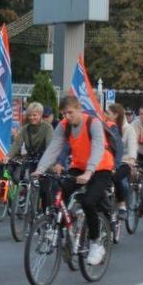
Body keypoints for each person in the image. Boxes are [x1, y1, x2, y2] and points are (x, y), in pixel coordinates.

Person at [32, 95, 114, 266]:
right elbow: (54, 148)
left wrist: (89, 171)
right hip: (79, 166)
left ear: (79, 109)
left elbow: (98, 148)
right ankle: (58, 229)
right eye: (63, 113)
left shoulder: (93, 123)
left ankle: (96, 243)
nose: (67, 117)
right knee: (58, 191)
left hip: (100, 167)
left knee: (89, 202)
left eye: (70, 112)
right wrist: (40, 169)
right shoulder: (63, 126)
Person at [106, 103, 137, 219]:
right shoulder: (107, 127)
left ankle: (122, 205)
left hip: (125, 162)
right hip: (110, 162)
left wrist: (132, 160)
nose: (105, 115)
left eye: (108, 113)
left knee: (116, 177)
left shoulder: (129, 130)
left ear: (116, 115)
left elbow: (132, 149)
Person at [7, 101, 53, 180]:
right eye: (30, 115)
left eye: (34, 115)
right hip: (30, 158)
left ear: (41, 114)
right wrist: (8, 156)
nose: (31, 117)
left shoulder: (47, 128)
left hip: (44, 158)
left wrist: (47, 163)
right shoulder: (25, 128)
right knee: (21, 179)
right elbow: (17, 143)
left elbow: (49, 146)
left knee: (44, 186)